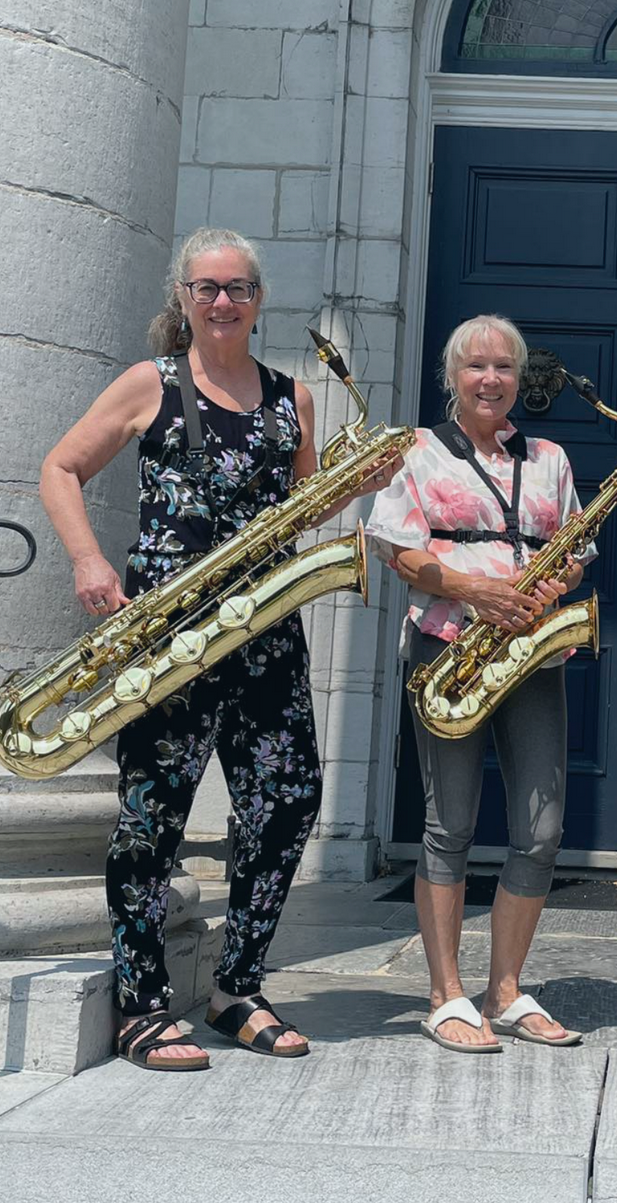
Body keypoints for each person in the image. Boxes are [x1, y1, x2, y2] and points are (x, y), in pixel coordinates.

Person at [39, 227, 399, 1071]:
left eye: (238, 287)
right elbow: (61, 468)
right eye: (207, 288)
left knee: (288, 804)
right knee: (150, 819)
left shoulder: (291, 397)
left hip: (263, 628)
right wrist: (91, 558)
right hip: (170, 628)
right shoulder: (149, 384)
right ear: (184, 298)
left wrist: (356, 483)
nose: (223, 302)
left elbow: (301, 508)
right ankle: (140, 1003)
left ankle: (239, 986)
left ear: (258, 298)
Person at [366, 314, 593, 1053]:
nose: (491, 379)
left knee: (541, 830)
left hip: (532, 655)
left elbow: (575, 547)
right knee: (450, 823)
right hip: (449, 650)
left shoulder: (552, 456)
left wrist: (557, 582)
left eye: (504, 367)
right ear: (452, 377)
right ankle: (445, 993)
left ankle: (507, 990)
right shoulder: (418, 453)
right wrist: (476, 591)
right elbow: (398, 552)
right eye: (476, 367)